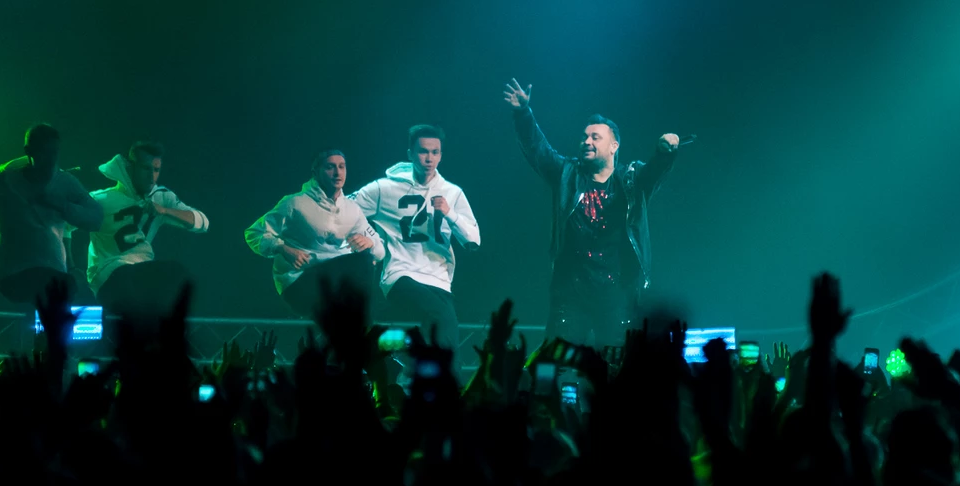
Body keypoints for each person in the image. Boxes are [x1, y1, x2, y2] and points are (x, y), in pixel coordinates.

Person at [503, 78, 683, 348]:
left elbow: (653, 173)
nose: (586, 141)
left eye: (595, 137)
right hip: (571, 294)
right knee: (558, 360)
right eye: (584, 137)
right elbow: (538, 151)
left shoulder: (631, 181)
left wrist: (664, 153)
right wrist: (523, 114)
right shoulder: (567, 175)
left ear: (614, 146)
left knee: (615, 365)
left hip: (617, 295)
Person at [351, 125, 480, 372]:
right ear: (410, 153)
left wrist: (450, 213)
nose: (429, 158)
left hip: (439, 279)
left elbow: (473, 241)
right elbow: (344, 211)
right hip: (401, 274)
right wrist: (368, 237)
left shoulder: (453, 193)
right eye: (423, 151)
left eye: (435, 152)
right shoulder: (383, 189)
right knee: (441, 316)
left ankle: (406, 365)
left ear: (441, 155)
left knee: (447, 344)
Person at [0, 123, 103, 305]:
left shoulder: (64, 182)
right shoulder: (1, 180)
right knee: (62, 289)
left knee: (62, 291)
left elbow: (96, 218)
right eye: (45, 153)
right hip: (13, 275)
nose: (51, 160)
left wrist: (61, 205)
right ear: (28, 151)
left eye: (54, 153)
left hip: (52, 271)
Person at [245, 149, 384, 317]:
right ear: (315, 172)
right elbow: (253, 233)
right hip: (300, 281)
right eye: (330, 167)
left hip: (334, 285)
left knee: (367, 258)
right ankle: (360, 323)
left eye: (341, 167)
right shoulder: (294, 203)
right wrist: (282, 248)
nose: (337, 173)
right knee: (361, 263)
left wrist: (370, 242)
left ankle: (361, 323)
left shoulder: (352, 209)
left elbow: (380, 251)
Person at [86, 141, 210, 314]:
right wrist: (71, 266)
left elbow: (202, 223)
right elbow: (65, 225)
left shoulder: (161, 198)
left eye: (156, 170)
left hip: (142, 273)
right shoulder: (100, 199)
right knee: (136, 280)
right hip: (108, 276)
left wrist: (165, 211)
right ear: (130, 167)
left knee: (177, 274)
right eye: (145, 168)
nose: (151, 176)